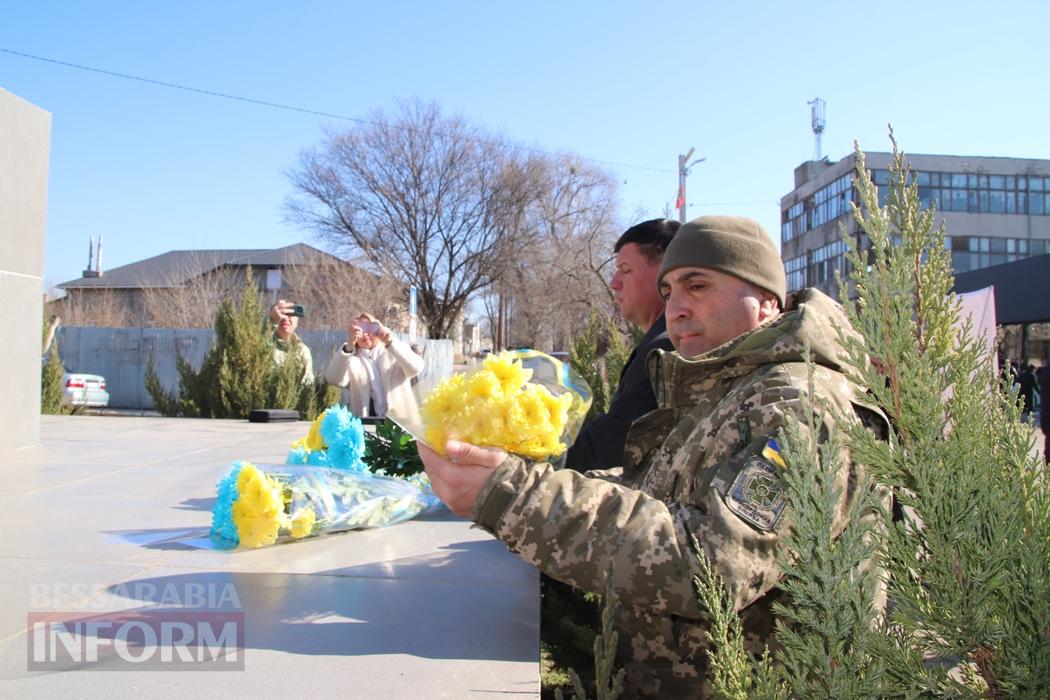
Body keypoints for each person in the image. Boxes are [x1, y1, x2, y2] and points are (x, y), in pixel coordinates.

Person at [418, 215, 889, 697]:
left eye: (697, 285)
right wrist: (526, 478)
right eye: (667, 292)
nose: (677, 309)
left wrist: (517, 496)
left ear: (766, 298)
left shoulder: (798, 404)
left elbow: (712, 562)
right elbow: (660, 494)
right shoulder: (729, 390)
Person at [565, 218, 679, 470]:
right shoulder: (661, 340)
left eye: (625, 269)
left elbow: (607, 451)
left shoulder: (665, 349)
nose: (614, 282)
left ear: (667, 272)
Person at [324, 312, 424, 424]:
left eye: (369, 328)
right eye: (361, 330)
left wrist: (390, 341)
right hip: (365, 424)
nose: (366, 334)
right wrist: (349, 346)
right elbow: (333, 379)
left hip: (401, 423)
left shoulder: (394, 352)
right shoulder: (351, 359)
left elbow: (416, 368)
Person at [269, 299, 314, 383]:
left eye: (291, 314)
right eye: (282, 313)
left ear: (297, 321)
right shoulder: (263, 341)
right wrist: (270, 322)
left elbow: (307, 385)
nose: (286, 318)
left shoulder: (302, 350)